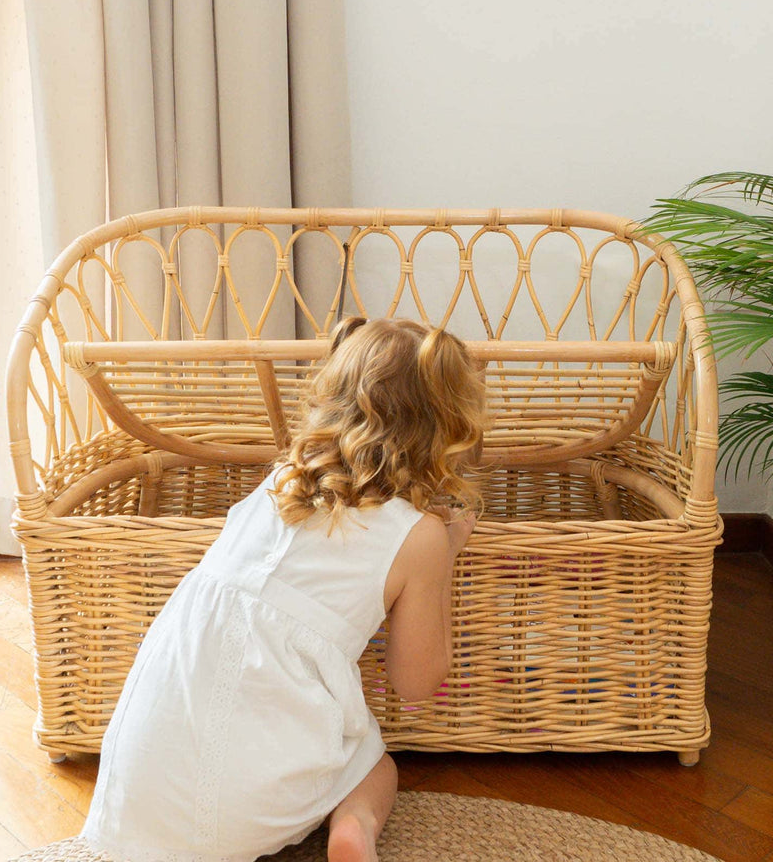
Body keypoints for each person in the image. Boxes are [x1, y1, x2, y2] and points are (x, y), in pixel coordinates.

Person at [81, 316, 487, 862]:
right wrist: (445, 554)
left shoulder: (279, 483)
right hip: (237, 812)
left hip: (130, 802)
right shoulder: (418, 535)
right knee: (374, 763)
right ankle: (356, 828)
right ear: (449, 426)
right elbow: (416, 684)